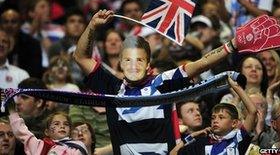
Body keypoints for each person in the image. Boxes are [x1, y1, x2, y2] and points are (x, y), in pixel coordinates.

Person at [74, 9, 238, 154]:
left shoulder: (162, 82)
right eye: (128, 60)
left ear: (148, 66)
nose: (133, 65)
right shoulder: (112, 87)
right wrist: (92, 26)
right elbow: (80, 57)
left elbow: (202, 64)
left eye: (139, 60)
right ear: (121, 65)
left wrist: (232, 44)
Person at [173, 77, 256, 155]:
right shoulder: (201, 143)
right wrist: (193, 135)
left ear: (234, 123)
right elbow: (173, 153)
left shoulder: (239, 137)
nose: (215, 120)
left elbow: (252, 111)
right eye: (213, 118)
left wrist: (236, 87)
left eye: (221, 117)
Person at [7, 105, 88, 155]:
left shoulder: (78, 147)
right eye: (56, 124)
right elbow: (21, 131)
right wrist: (12, 110)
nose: (62, 126)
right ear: (47, 132)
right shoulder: (39, 146)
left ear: (70, 130)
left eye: (66, 124)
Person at [0, 8, 43, 78]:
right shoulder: (1, 45)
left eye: (13, 22)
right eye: (6, 22)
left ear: (20, 24)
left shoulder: (33, 44)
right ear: (1, 25)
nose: (9, 25)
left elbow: (36, 73)